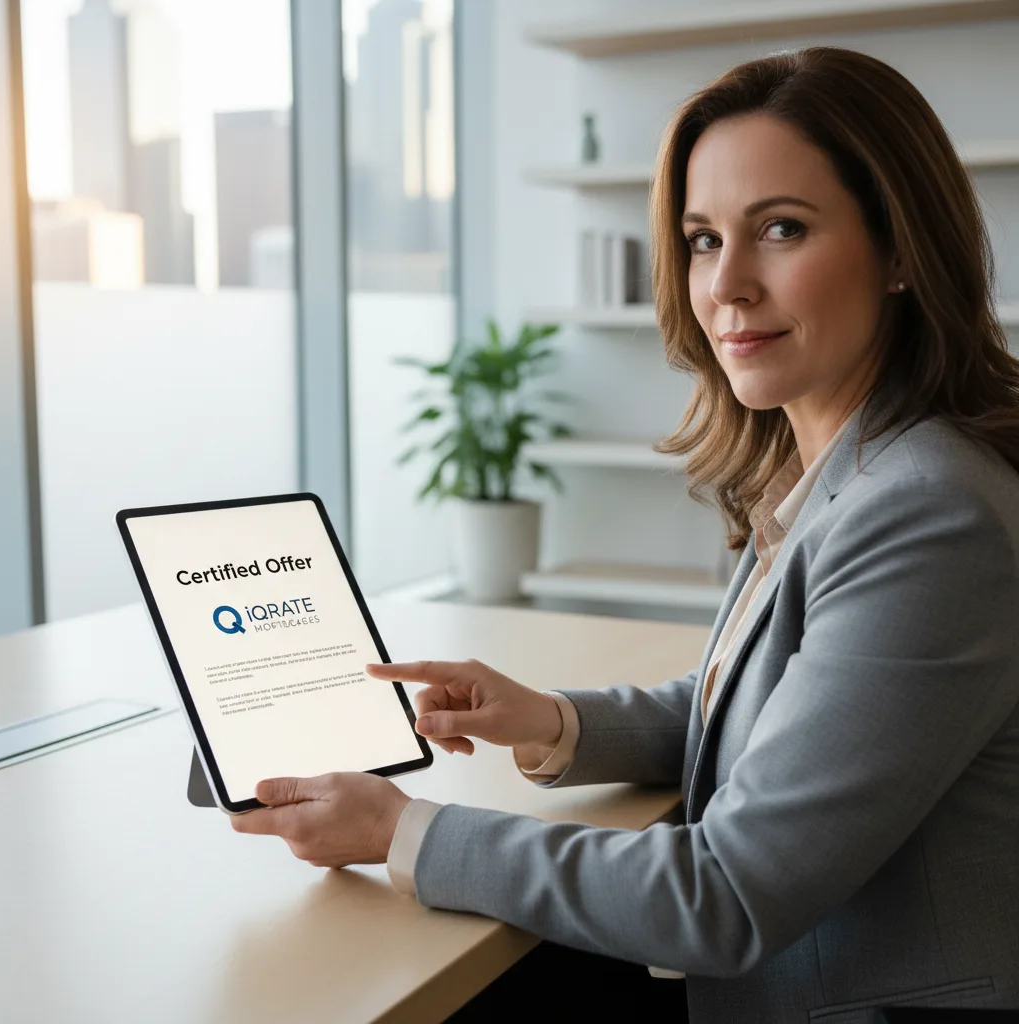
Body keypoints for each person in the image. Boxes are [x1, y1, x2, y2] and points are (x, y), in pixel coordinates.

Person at [230, 46, 1019, 1021]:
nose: (726, 285)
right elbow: (769, 711)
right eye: (702, 239)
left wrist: (404, 830)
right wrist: (550, 721)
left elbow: (724, 893)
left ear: (901, 250)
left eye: (781, 228)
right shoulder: (833, 469)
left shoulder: (927, 514)